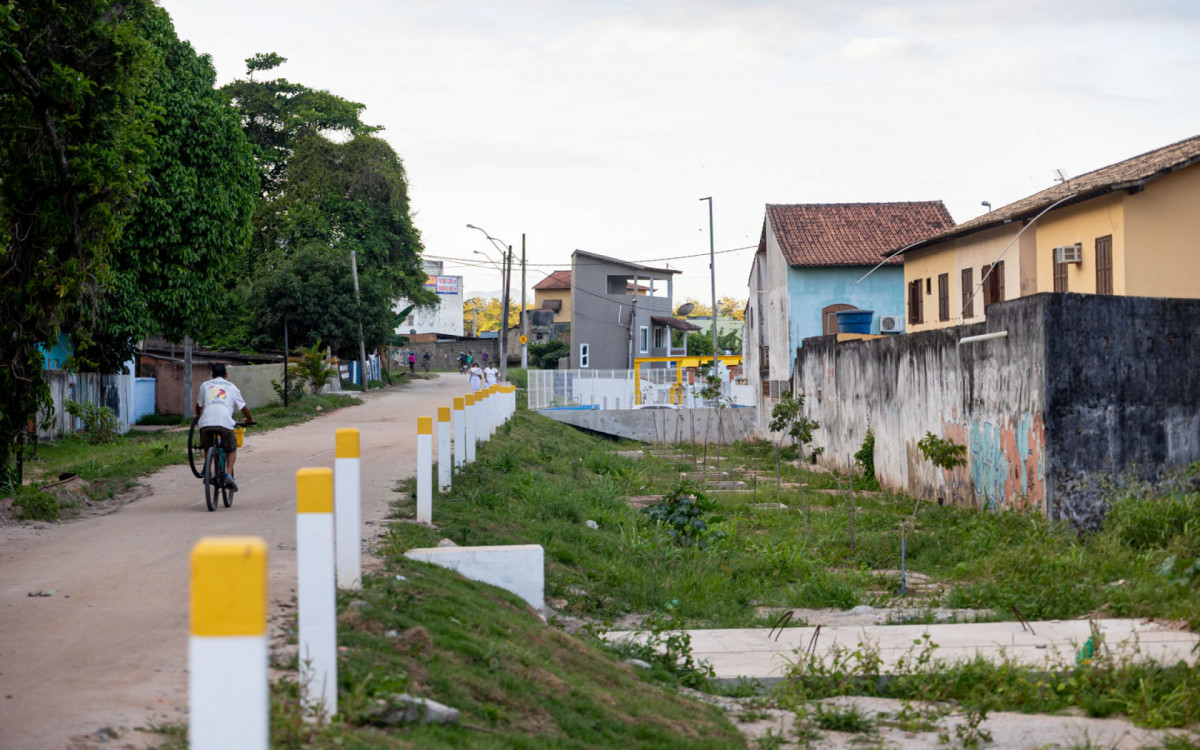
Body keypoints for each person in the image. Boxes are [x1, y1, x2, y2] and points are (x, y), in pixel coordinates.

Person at [196, 362, 254, 491]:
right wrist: (249, 418)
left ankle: (208, 471)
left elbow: (199, 405)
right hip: (225, 423)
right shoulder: (232, 387)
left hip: (206, 423)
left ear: (212, 375)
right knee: (232, 448)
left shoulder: (205, 385)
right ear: (226, 375)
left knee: (207, 447)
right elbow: (243, 407)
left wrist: (198, 415)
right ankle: (228, 474)